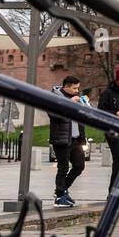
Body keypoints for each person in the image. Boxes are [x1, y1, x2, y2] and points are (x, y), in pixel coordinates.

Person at [49, 75, 90, 207]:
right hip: (62, 139)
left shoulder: (77, 97)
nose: (77, 91)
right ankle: (60, 197)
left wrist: (85, 106)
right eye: (74, 88)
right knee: (63, 168)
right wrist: (70, 103)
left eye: (78, 88)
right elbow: (54, 116)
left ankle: (61, 191)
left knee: (79, 166)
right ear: (66, 87)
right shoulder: (55, 97)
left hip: (76, 139)